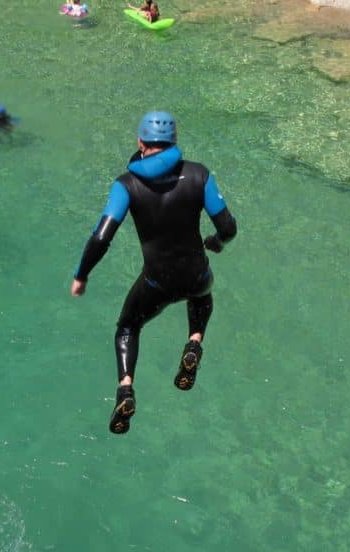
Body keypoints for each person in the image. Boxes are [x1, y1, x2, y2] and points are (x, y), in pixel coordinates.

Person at [70, 110, 237, 434]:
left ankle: (126, 389)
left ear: (140, 142)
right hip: (196, 274)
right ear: (173, 141)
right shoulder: (199, 175)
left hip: (156, 282)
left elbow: (101, 236)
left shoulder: (126, 186)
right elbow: (228, 227)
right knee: (202, 297)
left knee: (128, 326)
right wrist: (217, 242)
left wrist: (82, 275)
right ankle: (193, 343)